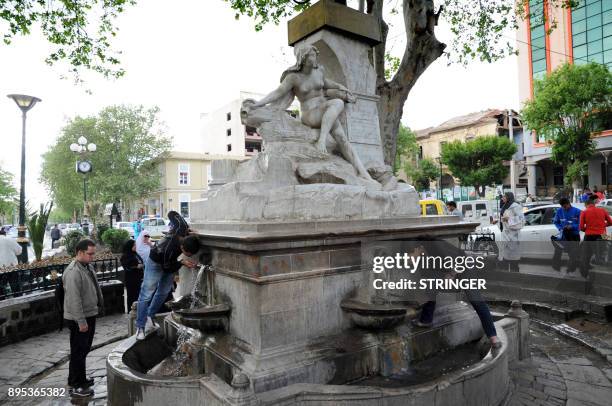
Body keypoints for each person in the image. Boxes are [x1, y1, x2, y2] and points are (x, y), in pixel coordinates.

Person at [247, 44, 373, 180]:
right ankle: (322, 140)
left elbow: (325, 83)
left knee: (342, 139)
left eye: (315, 55)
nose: (315, 58)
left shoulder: (319, 71)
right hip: (309, 115)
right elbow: (278, 93)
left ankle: (363, 173)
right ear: (303, 58)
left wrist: (340, 87)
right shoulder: (293, 78)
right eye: (312, 55)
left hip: (325, 111)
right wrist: (258, 104)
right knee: (337, 102)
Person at [409, 240, 500, 349]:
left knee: (477, 301)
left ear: (417, 249)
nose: (409, 261)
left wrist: (451, 274)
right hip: (447, 272)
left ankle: (493, 336)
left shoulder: (435, 245)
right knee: (431, 289)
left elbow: (460, 260)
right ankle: (425, 320)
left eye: (409, 257)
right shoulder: (422, 261)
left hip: (464, 268)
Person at [135, 211, 189, 340]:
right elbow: (167, 267)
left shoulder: (182, 228)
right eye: (186, 253)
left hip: (169, 262)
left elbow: (172, 214)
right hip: (156, 261)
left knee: (164, 292)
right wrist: (181, 262)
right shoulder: (169, 248)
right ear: (182, 247)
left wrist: (182, 224)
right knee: (146, 294)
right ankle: (140, 327)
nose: (187, 255)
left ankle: (150, 315)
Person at [62, 239, 104, 399]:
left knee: (83, 350)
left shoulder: (87, 266)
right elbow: (74, 300)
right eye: (90, 254)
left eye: (93, 253)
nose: (92, 257)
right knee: (79, 352)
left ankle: (79, 379)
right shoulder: (73, 272)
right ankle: (77, 385)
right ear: (80, 253)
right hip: (79, 318)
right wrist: (81, 322)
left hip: (89, 314)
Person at [579, 195, 612, 277]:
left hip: (589, 236)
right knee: (607, 245)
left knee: (586, 254)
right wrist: (603, 225)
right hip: (602, 235)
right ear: (594, 204)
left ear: (587, 205)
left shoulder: (584, 212)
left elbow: (581, 227)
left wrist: (587, 229)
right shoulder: (602, 210)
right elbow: (611, 222)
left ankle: (585, 273)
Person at [492, 192, 524, 272]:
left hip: (513, 236)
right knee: (504, 258)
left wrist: (509, 220)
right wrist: (498, 221)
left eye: (504, 197)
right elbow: (504, 218)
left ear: (508, 197)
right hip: (505, 235)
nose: (502, 198)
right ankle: (506, 276)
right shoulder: (505, 206)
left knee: (513, 259)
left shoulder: (516, 206)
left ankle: (515, 276)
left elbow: (522, 219)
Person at [551, 198, 581, 273]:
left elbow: (581, 224)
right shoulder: (559, 211)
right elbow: (556, 222)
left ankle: (571, 269)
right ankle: (557, 268)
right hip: (564, 235)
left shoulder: (577, 211)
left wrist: (572, 226)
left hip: (574, 235)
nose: (564, 208)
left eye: (565, 206)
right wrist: (560, 228)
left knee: (573, 253)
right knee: (559, 250)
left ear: (569, 203)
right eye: (562, 206)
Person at [120, 239, 144, 312]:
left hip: (139, 278)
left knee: (139, 295)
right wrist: (136, 266)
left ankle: (139, 310)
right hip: (131, 279)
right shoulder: (125, 255)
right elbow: (126, 266)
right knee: (132, 296)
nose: (136, 246)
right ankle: (131, 311)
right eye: (134, 245)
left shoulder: (135, 254)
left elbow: (140, 261)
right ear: (130, 246)